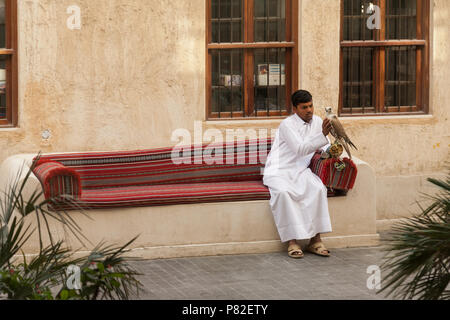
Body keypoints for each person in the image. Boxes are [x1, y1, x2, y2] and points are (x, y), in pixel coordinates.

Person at [263, 89, 333, 258]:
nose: (309, 110)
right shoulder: (287, 125)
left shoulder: (317, 122)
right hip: (279, 171)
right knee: (283, 194)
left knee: (318, 189)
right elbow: (301, 149)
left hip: (301, 170)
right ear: (295, 109)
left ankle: (315, 240)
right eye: (304, 107)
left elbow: (325, 146)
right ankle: (292, 242)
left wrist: (332, 153)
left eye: (310, 106)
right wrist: (323, 135)